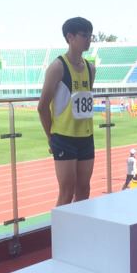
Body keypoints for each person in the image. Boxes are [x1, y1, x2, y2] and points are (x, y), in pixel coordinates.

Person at [37, 17, 95, 205]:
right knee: (67, 191)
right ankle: (61, 233)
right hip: (64, 137)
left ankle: (79, 230)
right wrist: (50, 136)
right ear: (70, 37)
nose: (88, 40)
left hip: (86, 136)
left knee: (84, 189)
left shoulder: (90, 68)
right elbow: (42, 106)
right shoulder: (57, 67)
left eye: (90, 36)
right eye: (84, 36)